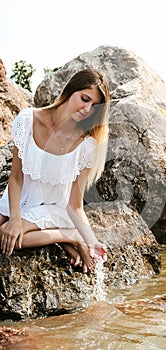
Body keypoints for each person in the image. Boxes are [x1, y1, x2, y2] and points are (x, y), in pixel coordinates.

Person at [0, 68, 110, 273]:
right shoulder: (28, 120)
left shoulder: (86, 146)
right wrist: (15, 218)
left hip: (53, 209)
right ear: (70, 91)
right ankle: (66, 237)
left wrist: (90, 239)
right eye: (85, 99)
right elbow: (15, 177)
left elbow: (75, 206)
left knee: (5, 237)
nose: (87, 108)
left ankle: (69, 235)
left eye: (94, 106)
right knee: (8, 229)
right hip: (18, 198)